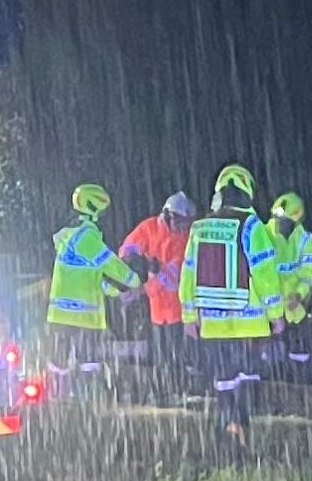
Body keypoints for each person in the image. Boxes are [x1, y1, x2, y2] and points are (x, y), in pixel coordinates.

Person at [185, 164, 274, 435]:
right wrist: (276, 313)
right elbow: (264, 272)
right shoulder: (252, 226)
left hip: (213, 322)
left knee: (222, 377)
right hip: (249, 321)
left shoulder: (199, 228)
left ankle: (227, 427)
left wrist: (189, 317)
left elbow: (188, 273)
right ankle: (245, 426)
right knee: (247, 373)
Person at [43, 182, 140, 383]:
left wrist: (116, 293)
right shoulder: (86, 236)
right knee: (89, 365)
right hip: (84, 318)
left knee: (59, 367)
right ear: (95, 209)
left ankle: (62, 406)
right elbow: (109, 263)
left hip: (61, 316)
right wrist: (135, 281)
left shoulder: (70, 236)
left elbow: (91, 276)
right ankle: (88, 403)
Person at [118, 190, 196, 376]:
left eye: (187, 222)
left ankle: (179, 386)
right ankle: (165, 389)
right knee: (160, 355)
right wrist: (135, 261)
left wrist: (141, 290)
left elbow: (171, 275)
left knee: (176, 353)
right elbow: (127, 249)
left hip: (178, 309)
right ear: (168, 216)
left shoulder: (186, 239)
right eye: (180, 221)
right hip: (156, 309)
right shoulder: (149, 228)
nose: (183, 226)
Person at [256, 189, 312, 373]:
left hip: (295, 310)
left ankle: (302, 383)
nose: (280, 224)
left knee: (300, 355)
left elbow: (311, 271)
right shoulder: (264, 235)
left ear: (296, 221)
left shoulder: (305, 239)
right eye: (278, 219)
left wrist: (299, 294)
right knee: (265, 362)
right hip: (269, 309)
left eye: (285, 221)